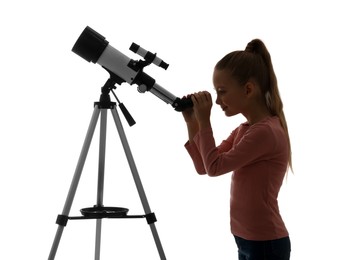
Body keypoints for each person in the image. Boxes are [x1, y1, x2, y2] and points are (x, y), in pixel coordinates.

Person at [182, 39, 292, 260]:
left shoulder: (265, 133)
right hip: (246, 238)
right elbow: (204, 166)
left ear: (248, 89)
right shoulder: (245, 130)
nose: (217, 101)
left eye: (222, 91)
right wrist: (192, 122)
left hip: (265, 243)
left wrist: (205, 122)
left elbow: (214, 168)